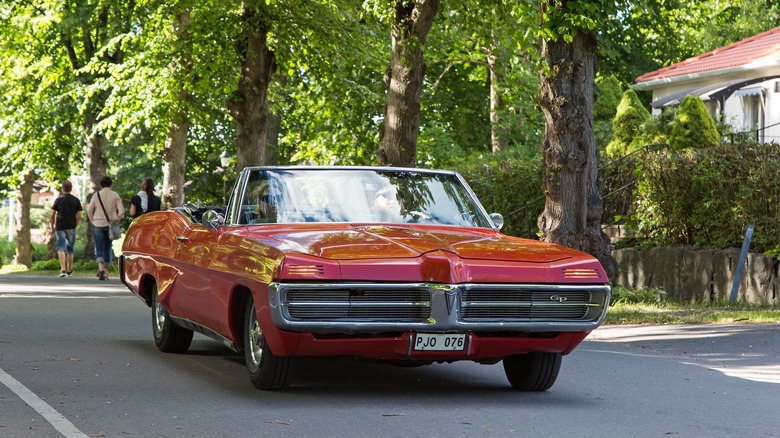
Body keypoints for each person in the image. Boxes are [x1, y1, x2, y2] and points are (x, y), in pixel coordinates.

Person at [86, 176, 125, 281]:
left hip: (97, 223)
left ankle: (100, 267)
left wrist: (92, 220)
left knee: (99, 247)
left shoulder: (96, 195)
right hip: (110, 225)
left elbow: (89, 209)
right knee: (108, 247)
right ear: (110, 184)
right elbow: (121, 212)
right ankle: (106, 271)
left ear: (101, 184)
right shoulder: (115, 195)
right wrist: (115, 219)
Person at [50, 180, 82, 277]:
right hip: (71, 226)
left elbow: (52, 215)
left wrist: (52, 227)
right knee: (70, 248)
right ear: (71, 189)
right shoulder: (76, 200)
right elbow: (79, 216)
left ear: (62, 189)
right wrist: (75, 224)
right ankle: (69, 269)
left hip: (60, 226)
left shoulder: (58, 199)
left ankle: (62, 269)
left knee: (61, 247)